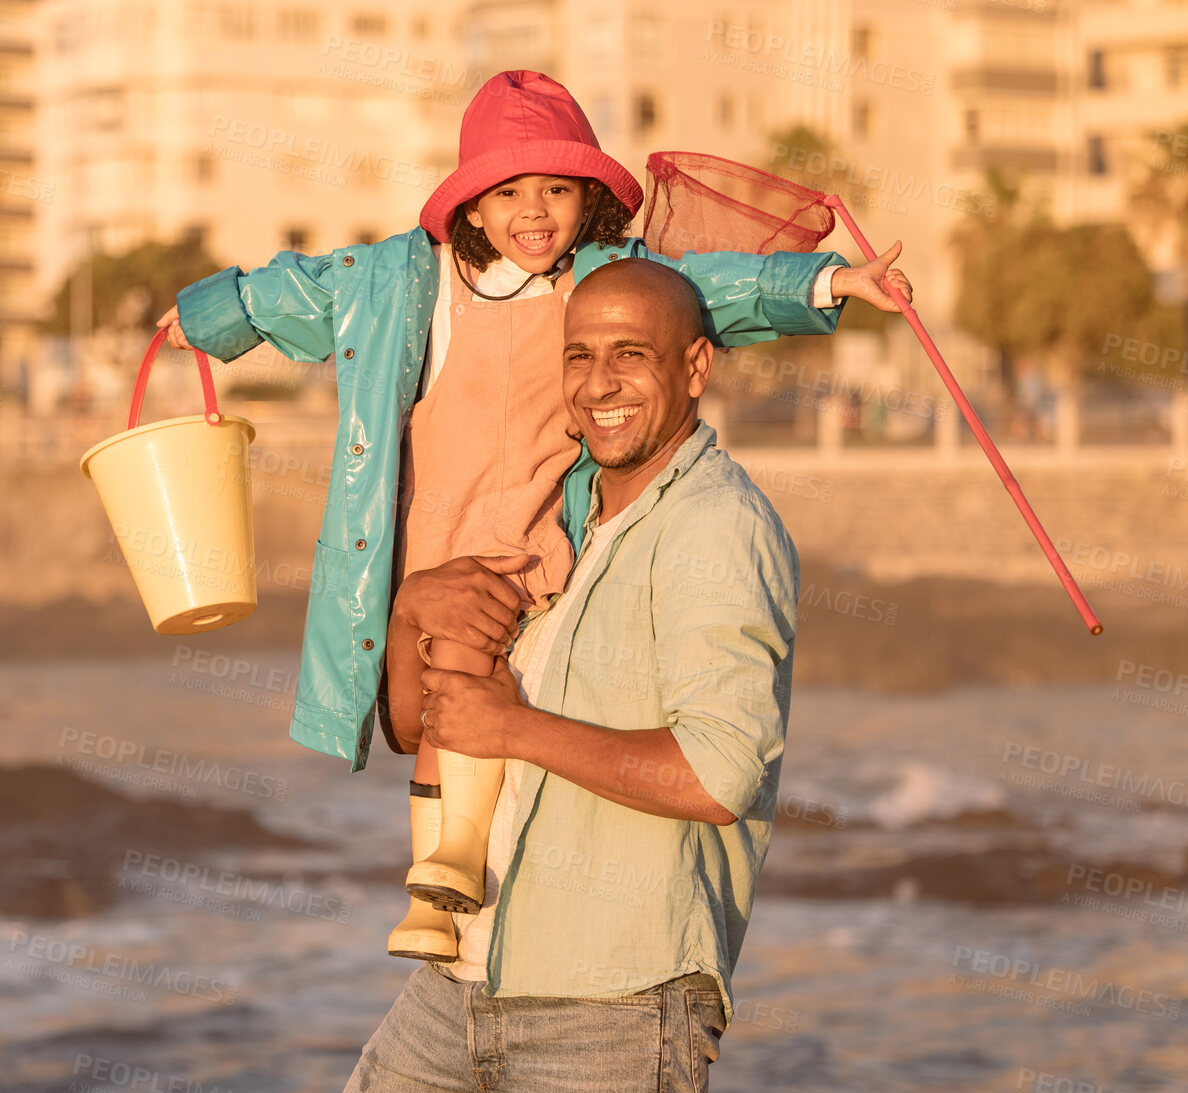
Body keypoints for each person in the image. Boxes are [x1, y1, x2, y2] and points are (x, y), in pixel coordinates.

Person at [156, 70, 908, 964]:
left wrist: (828, 282)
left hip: (532, 534)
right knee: (443, 691)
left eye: (556, 189)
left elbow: (714, 290)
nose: (536, 212)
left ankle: (452, 869)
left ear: (587, 197)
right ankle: (442, 873)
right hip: (426, 534)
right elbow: (298, 291)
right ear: (471, 208)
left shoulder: (602, 277)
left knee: (478, 679)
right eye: (509, 192)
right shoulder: (400, 279)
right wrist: (210, 314)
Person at [355, 257, 798, 1090]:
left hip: (614, 1007)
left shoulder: (717, 527)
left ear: (697, 366)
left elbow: (719, 772)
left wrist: (516, 728)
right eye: (578, 355)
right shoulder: (559, 514)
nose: (599, 383)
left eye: (631, 354)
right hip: (462, 977)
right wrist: (412, 608)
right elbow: (422, 728)